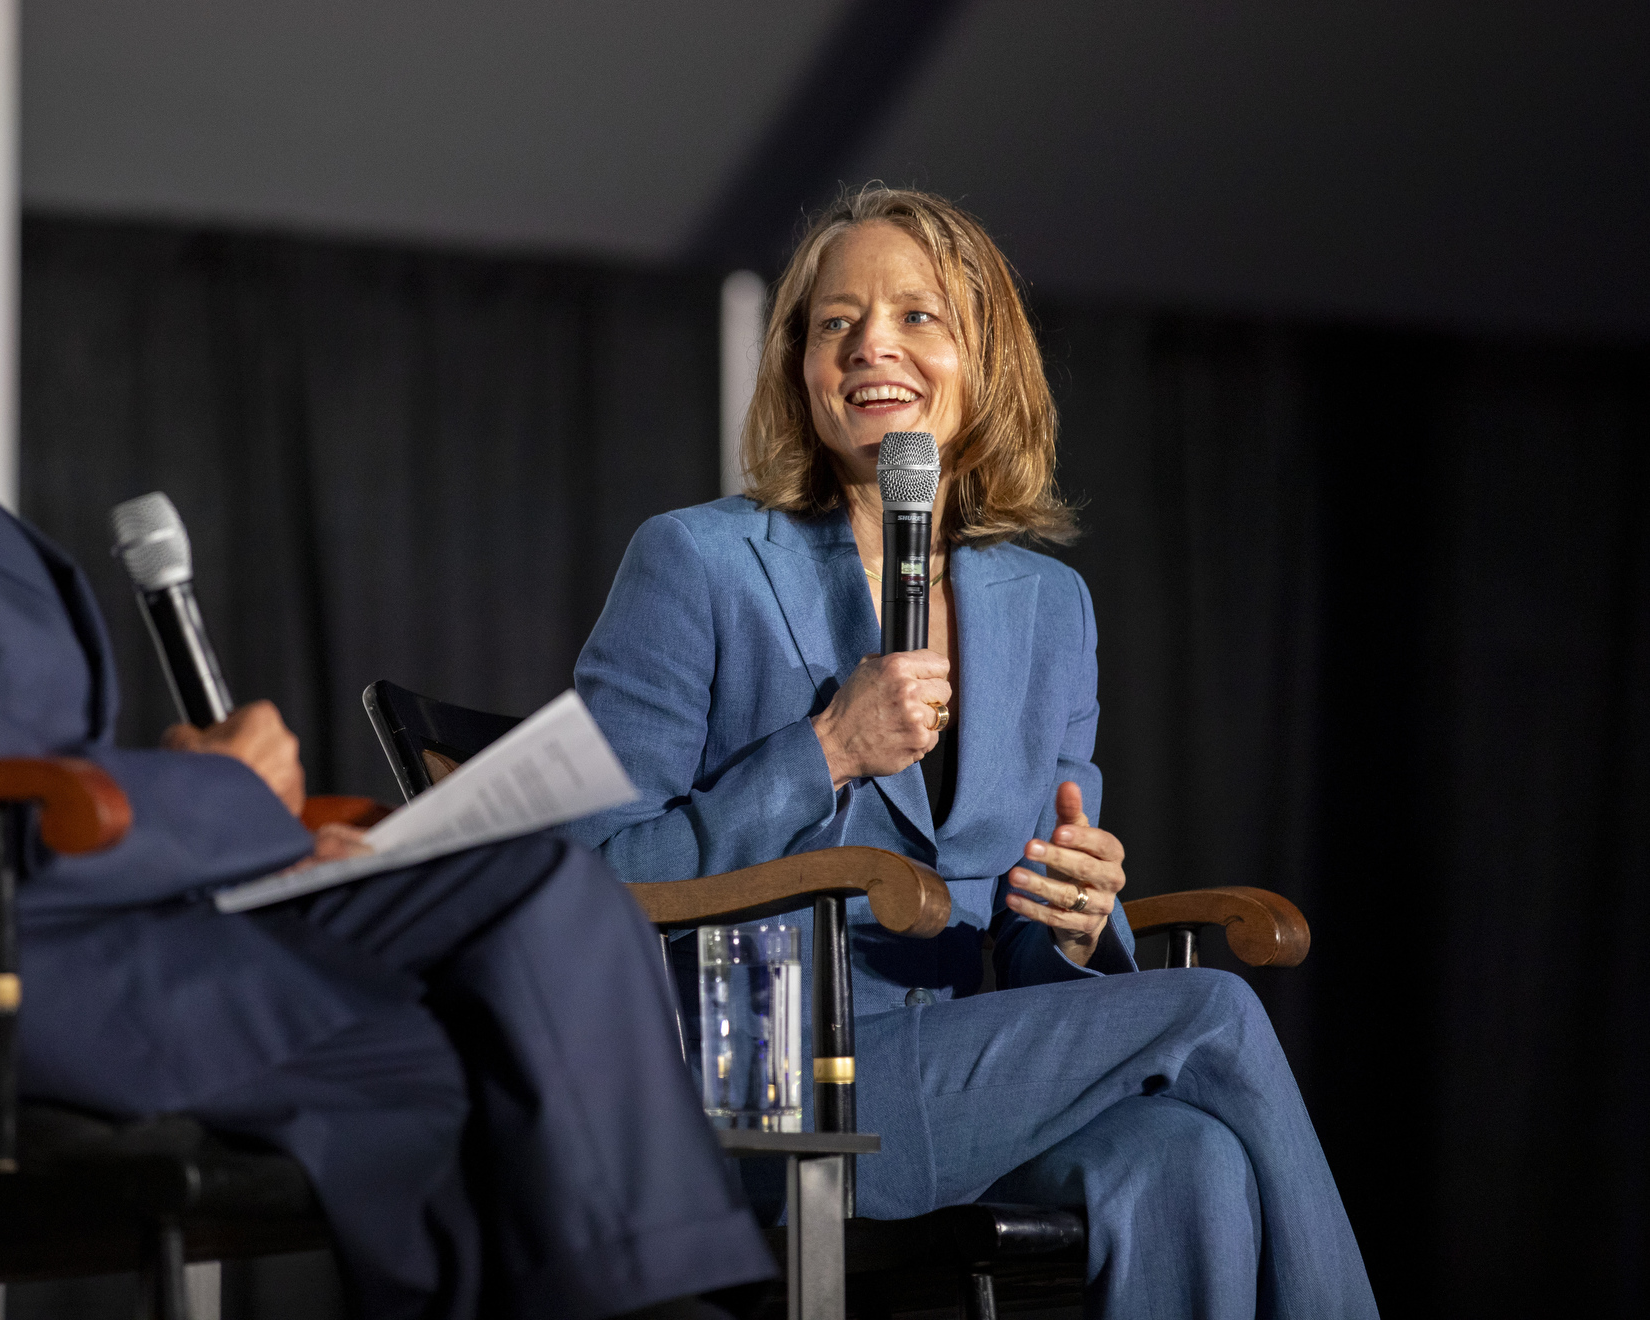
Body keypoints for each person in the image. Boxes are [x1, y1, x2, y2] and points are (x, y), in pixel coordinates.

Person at [0, 27, 772, 1320]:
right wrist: (228, 807)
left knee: (536, 882)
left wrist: (190, 803)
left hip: (86, 907)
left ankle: (676, 1297)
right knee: (446, 1055)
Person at [569, 186, 1379, 1318]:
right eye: (834, 322)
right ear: (800, 363)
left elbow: (1032, 953)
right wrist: (825, 751)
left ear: (983, 360)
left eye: (917, 316)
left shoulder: (1049, 606)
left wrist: (1081, 915)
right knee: (1214, 1013)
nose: (872, 348)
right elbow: (587, 878)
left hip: (957, 1080)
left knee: (1187, 1165)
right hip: (760, 1084)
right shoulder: (696, 565)